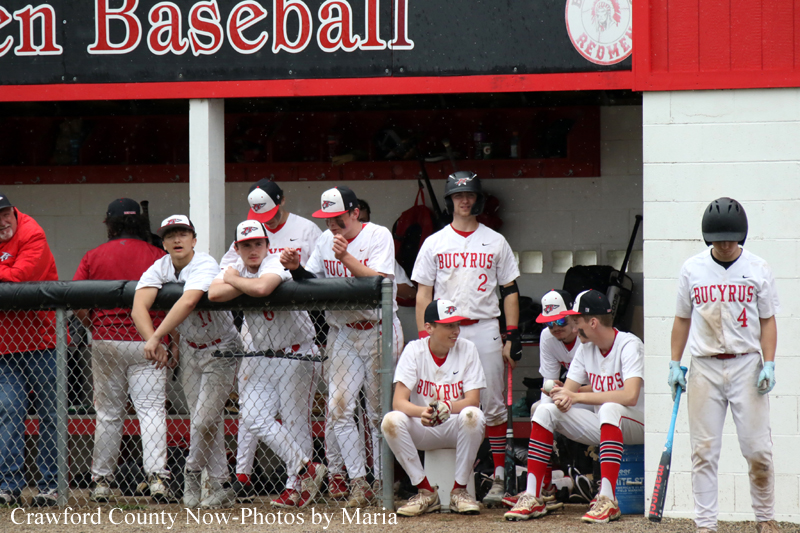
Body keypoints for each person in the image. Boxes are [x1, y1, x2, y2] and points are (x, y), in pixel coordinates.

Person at [280, 185, 402, 507]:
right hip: (343, 331)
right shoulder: (324, 240)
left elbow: (380, 285)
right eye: (327, 219)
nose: (332, 225)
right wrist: (296, 269)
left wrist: (346, 256)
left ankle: (381, 481)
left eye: (338, 218)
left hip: (378, 328)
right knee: (339, 410)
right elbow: (312, 284)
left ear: (354, 212)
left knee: (377, 413)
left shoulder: (377, 236)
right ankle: (359, 482)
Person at [668, 198, 781, 533]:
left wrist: (770, 363)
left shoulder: (758, 268)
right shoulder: (693, 269)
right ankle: (705, 526)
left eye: (731, 238)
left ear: (741, 236)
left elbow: (768, 320)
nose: (725, 244)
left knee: (758, 449)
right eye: (718, 238)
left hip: (747, 364)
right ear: (708, 238)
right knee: (703, 452)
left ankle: (765, 519)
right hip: (705, 365)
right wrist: (674, 363)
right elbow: (681, 319)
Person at [411, 170, 521, 506]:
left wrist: (512, 334)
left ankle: (500, 477)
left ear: (477, 199)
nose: (464, 200)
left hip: (485, 325)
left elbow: (510, 290)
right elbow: (423, 293)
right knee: (443, 399)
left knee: (492, 403)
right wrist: (422, 336)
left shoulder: (495, 240)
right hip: (445, 329)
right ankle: (443, 485)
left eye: (469, 194)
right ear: (449, 200)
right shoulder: (435, 241)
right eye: (458, 195)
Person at [209, 220, 327, 508]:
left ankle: (295, 487)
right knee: (252, 417)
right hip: (262, 355)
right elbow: (213, 294)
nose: (253, 250)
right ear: (237, 247)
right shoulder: (235, 264)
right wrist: (239, 282)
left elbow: (262, 288)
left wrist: (235, 281)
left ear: (266, 245)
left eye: (258, 243)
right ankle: (307, 468)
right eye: (246, 245)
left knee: (295, 420)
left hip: (296, 351)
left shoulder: (274, 262)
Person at [504, 289, 644, 523]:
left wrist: (575, 397)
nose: (574, 327)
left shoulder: (629, 344)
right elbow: (567, 395)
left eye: (576, 321)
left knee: (610, 407)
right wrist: (559, 394)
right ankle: (533, 495)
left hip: (637, 422)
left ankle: (608, 500)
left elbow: (630, 396)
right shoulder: (586, 348)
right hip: (605, 424)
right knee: (545, 410)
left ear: (593, 322)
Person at [132, 215, 241, 509]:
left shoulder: (204, 262)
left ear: (193, 239)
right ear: (164, 243)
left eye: (183, 234)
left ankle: (191, 473)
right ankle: (222, 485)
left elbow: (189, 301)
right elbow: (138, 306)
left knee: (204, 420)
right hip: (192, 350)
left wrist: (156, 337)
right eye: (170, 235)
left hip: (221, 348)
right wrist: (153, 341)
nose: (177, 239)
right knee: (205, 422)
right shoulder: (161, 265)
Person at [73, 198, 174, 503]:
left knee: (108, 415)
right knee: (152, 411)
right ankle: (157, 479)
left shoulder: (94, 255)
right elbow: (176, 303)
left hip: (106, 340)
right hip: (150, 340)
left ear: (110, 223)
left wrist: (94, 321)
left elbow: (77, 301)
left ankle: (101, 481)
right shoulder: (159, 254)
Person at [382, 299, 486, 516]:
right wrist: (423, 412)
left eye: (457, 325)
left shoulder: (468, 349)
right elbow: (399, 402)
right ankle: (426, 492)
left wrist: (448, 406)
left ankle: (460, 491)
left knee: (473, 415)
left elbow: (473, 400)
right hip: (424, 425)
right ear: (429, 327)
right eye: (448, 325)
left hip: (455, 426)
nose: (455, 331)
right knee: (391, 420)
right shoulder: (414, 350)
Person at [0, 193, 60, 507]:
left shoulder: (31, 231)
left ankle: (50, 486)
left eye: (5, 213)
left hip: (42, 339)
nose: (2, 222)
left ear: (13, 211)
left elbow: (18, 278)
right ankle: (8, 486)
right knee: (10, 412)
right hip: (5, 345)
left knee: (51, 415)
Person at [503, 289, 584, 509]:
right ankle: (543, 486)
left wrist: (571, 393)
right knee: (539, 409)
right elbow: (549, 382)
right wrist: (551, 405)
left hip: (595, 396)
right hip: (570, 393)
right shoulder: (548, 337)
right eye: (550, 322)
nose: (556, 327)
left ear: (574, 317)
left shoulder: (586, 335)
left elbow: (605, 384)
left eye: (561, 320)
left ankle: (592, 480)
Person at [357, 199, 417, 302]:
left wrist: (383, 284)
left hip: (379, 315)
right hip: (345, 314)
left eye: (364, 221)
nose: (360, 225)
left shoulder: (379, 249)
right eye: (356, 221)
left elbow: (410, 293)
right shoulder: (334, 247)